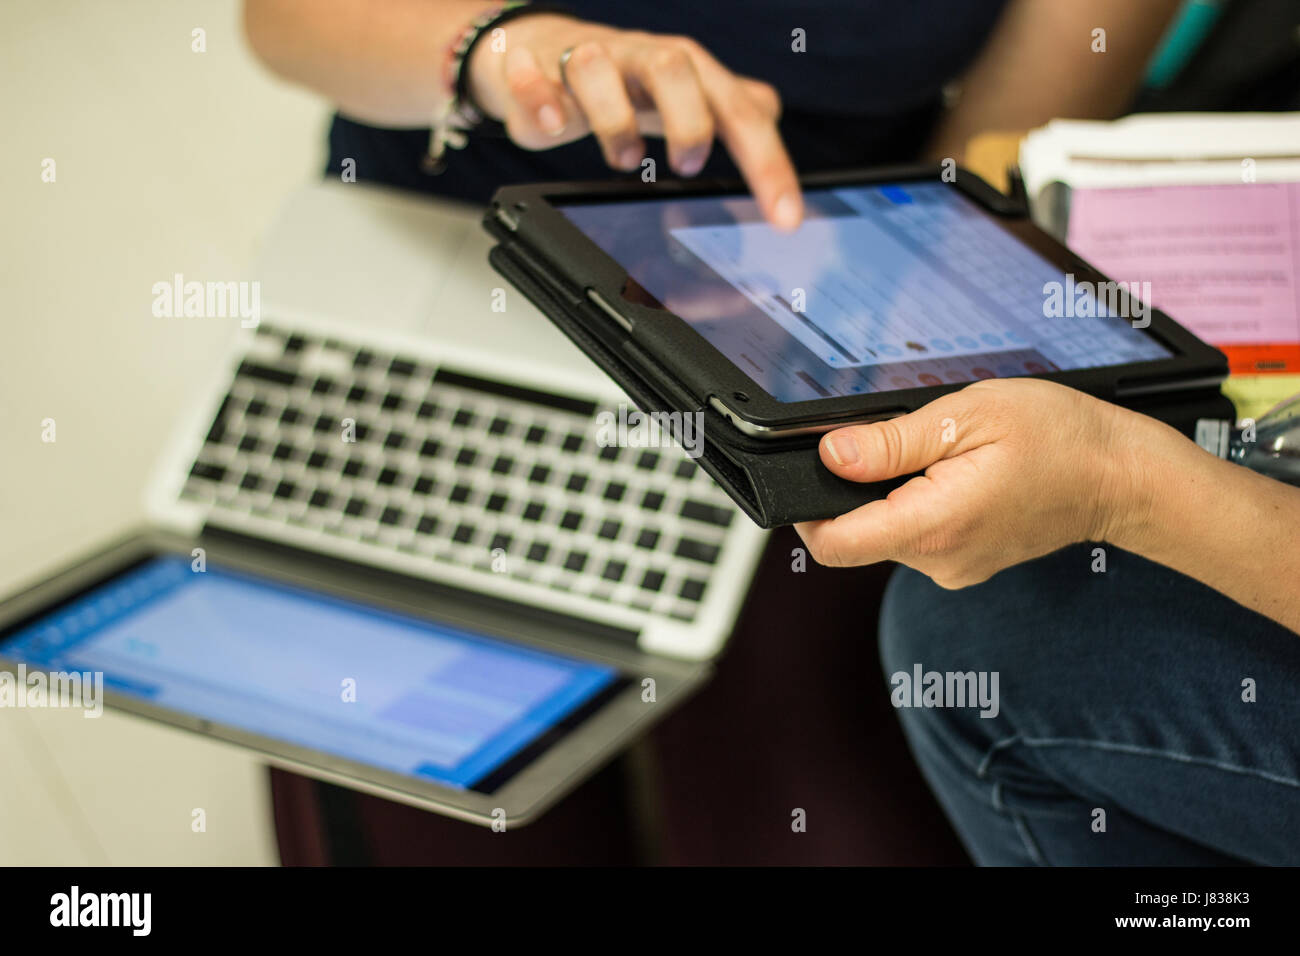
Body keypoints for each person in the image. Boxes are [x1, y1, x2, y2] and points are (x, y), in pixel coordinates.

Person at [242, 0, 1286, 865]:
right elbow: (281, 21)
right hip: (439, 275)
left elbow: (986, 153)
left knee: (813, 812)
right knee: (434, 800)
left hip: (811, 324)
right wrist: (497, 52)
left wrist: (872, 312)